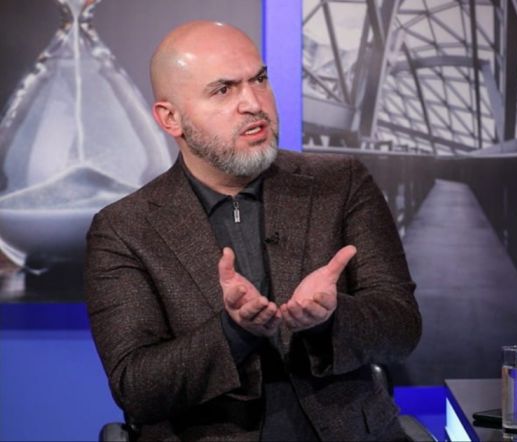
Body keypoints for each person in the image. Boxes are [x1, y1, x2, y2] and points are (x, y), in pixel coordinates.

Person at [84, 21, 421, 441]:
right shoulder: (124, 229)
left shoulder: (342, 183)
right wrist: (234, 332)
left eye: (259, 80)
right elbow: (136, 387)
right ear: (171, 119)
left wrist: (330, 319)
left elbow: (402, 329)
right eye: (223, 90)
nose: (254, 103)